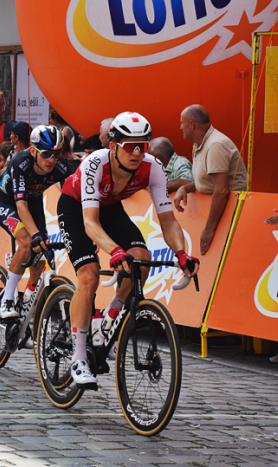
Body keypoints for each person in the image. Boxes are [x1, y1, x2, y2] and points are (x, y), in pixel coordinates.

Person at [57, 111, 199, 386]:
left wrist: (181, 254)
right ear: (112, 145)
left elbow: (168, 220)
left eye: (142, 146)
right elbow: (89, 222)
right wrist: (114, 251)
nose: (137, 153)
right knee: (88, 275)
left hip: (111, 209)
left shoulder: (152, 167)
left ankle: (110, 317)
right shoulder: (94, 163)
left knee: (142, 260)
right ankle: (78, 357)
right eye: (129, 146)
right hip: (76, 209)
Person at [0, 125, 70, 322]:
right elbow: (21, 206)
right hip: (7, 202)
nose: (52, 159)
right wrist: (35, 235)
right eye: (46, 154)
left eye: (56, 154)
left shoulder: (61, 167)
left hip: (33, 203)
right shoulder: (20, 162)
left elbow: (72, 201)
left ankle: (26, 311)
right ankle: (7, 300)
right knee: (27, 242)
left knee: (41, 256)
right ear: (33, 151)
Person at [174, 104, 247, 255]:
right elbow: (205, 181)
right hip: (217, 210)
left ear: (191, 124)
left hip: (231, 211)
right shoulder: (199, 143)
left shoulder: (215, 145)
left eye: (182, 122)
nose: (180, 127)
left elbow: (221, 191)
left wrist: (208, 229)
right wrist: (185, 188)